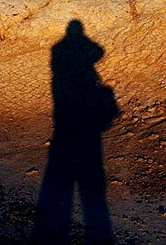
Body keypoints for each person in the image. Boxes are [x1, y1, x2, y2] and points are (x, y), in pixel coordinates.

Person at [32, 20, 117, 244]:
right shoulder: (66, 49)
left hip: (63, 110)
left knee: (62, 156)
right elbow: (99, 51)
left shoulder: (57, 49)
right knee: (90, 171)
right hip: (78, 113)